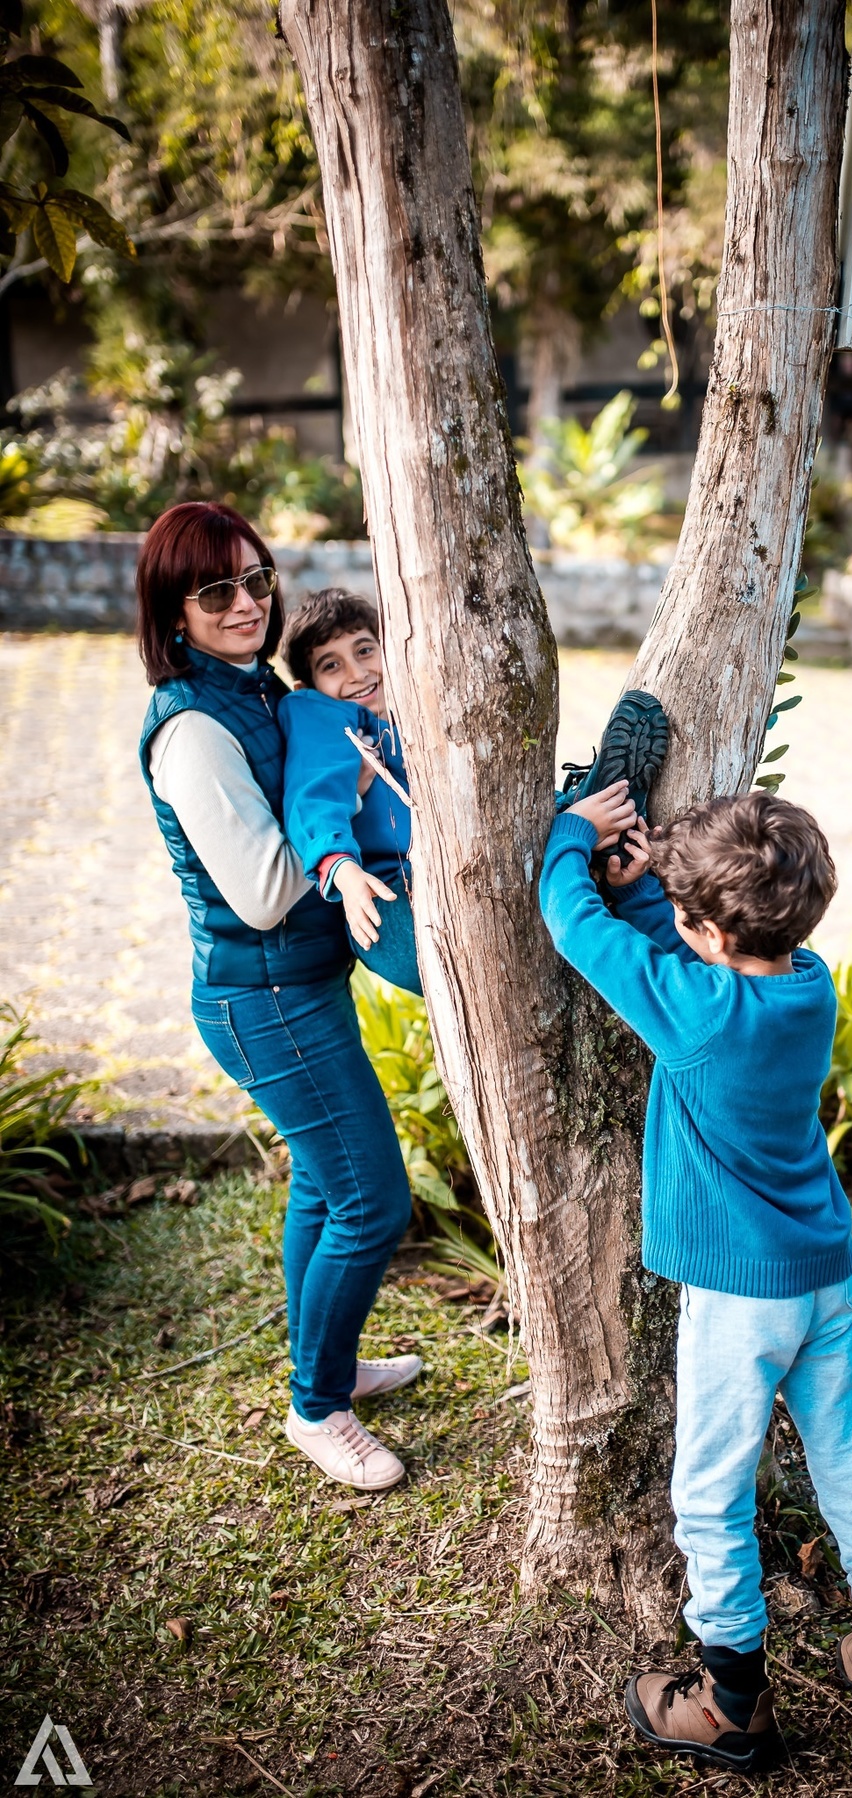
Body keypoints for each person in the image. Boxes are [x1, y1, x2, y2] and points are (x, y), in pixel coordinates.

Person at [539, 781, 852, 1773]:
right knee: (850, 1462)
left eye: (688, 922)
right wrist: (660, 902)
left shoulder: (699, 1012)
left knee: (708, 1492)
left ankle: (729, 1703)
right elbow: (694, 961)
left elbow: (570, 921)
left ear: (708, 936)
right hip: (824, 1274)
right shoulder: (808, 983)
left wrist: (568, 837)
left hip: (739, 1296)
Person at [136, 502, 421, 1495]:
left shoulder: (259, 691)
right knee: (373, 1200)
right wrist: (344, 811)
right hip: (263, 1001)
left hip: (301, 985)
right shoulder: (192, 730)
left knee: (320, 1180)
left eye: (258, 581)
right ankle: (317, 1409)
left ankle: (325, 1368)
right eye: (219, 591)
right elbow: (260, 890)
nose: (248, 603)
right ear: (175, 614)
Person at [277, 589, 419, 994]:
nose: (357, 673)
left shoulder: (411, 716)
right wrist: (342, 868)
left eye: (364, 650)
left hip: (445, 876)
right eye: (332, 665)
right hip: (385, 904)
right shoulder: (320, 716)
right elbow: (313, 796)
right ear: (309, 686)